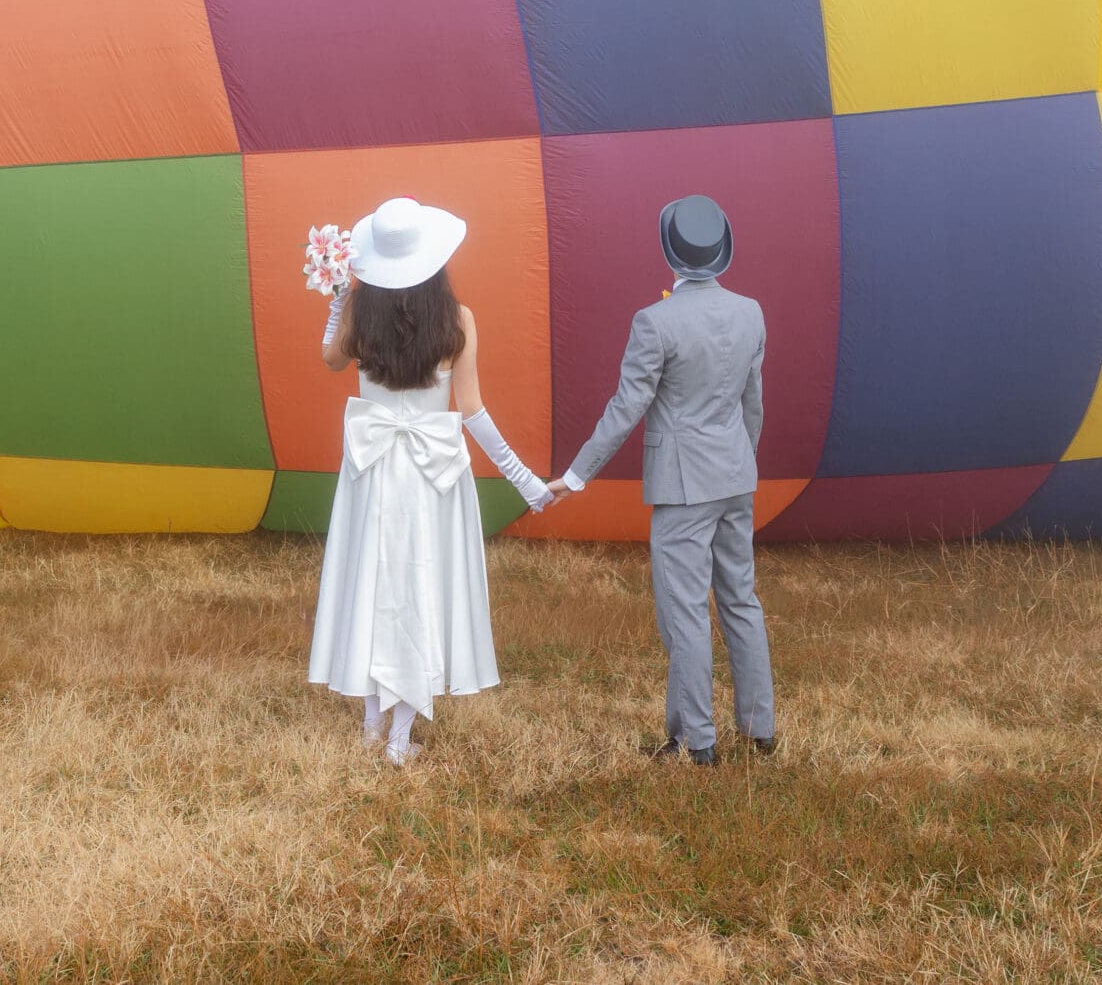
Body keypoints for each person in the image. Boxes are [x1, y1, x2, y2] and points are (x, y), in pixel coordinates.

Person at [309, 197, 558, 765]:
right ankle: (397, 739)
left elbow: (328, 358)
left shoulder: (360, 313)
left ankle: (375, 725)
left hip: (371, 472)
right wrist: (528, 484)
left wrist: (337, 302)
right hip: (431, 476)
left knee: (371, 581)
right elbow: (472, 411)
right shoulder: (458, 319)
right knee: (418, 587)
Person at [554, 196, 777, 766]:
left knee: (684, 612)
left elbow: (626, 409)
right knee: (740, 600)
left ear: (669, 253)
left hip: (683, 486)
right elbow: (753, 403)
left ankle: (695, 742)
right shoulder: (751, 312)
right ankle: (760, 728)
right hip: (735, 475)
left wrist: (576, 476)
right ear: (721, 251)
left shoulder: (654, 323)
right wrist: (740, 462)